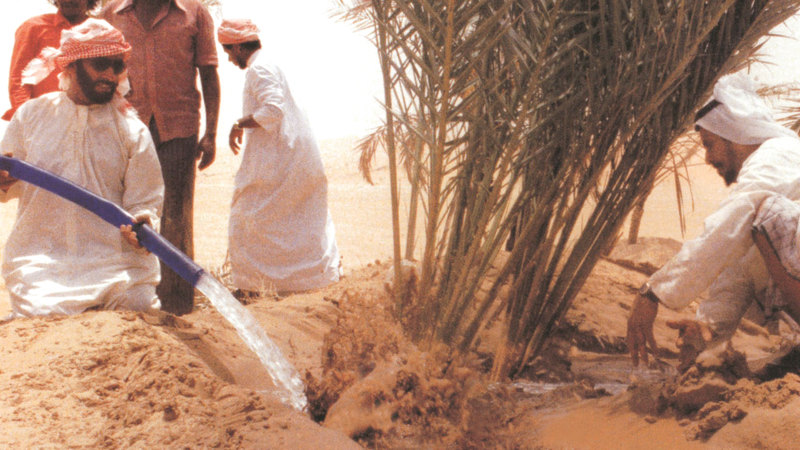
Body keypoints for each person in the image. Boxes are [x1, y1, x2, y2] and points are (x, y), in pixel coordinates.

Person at [627, 73, 800, 370]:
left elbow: (726, 230)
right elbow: (739, 267)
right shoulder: (760, 183)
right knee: (757, 230)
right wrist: (706, 328)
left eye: (709, 144)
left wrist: (652, 292)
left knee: (769, 214)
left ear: (734, 136)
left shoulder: (778, 154)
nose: (707, 158)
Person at [0, 18, 165, 317]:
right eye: (100, 64)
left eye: (117, 66)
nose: (110, 75)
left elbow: (146, 201)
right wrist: (3, 182)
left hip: (117, 267)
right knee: (44, 312)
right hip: (43, 264)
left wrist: (143, 225)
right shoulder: (31, 116)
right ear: (72, 66)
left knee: (140, 307)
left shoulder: (132, 129)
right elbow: (5, 186)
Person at [102, 0, 220, 315]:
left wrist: (211, 133)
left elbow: (209, 74)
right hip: (123, 128)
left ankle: (176, 305)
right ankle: (129, 299)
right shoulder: (112, 13)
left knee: (175, 217)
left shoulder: (195, 13)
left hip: (178, 129)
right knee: (124, 215)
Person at [217, 19, 340, 297]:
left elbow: (273, 110)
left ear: (238, 47)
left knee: (246, 217)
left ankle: (253, 288)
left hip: (282, 158)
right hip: (292, 154)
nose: (229, 58)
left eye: (228, 51)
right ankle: (300, 283)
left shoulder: (259, 68)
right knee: (293, 222)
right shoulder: (270, 63)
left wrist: (238, 124)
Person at [3, 0, 98, 120]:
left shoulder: (101, 31)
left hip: (89, 119)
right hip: (43, 118)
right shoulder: (34, 27)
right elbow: (19, 79)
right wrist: (26, 118)